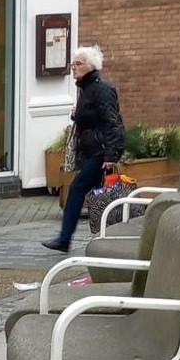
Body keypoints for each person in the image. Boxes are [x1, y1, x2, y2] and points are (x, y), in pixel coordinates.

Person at [43, 44, 126, 253]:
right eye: (73, 64)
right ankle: (106, 237)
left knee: (78, 189)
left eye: (78, 64)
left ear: (90, 66)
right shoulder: (87, 89)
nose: (74, 67)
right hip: (92, 150)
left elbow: (113, 122)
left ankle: (65, 239)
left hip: (100, 151)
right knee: (97, 194)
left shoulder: (101, 90)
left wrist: (111, 155)